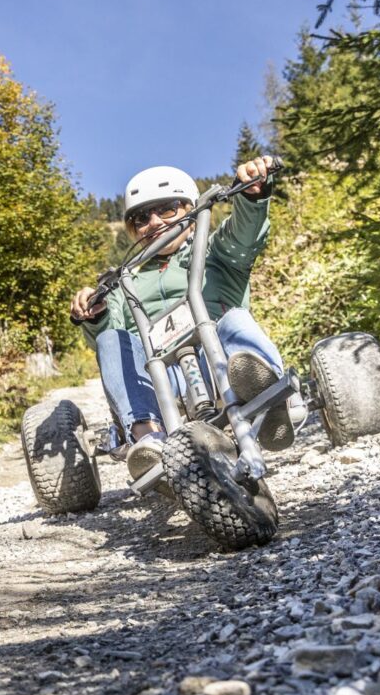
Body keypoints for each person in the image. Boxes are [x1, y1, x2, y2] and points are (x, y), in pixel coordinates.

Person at [68, 155, 302, 483]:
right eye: (140, 218)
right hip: (162, 377)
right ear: (132, 229)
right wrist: (95, 314)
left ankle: (267, 395)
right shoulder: (124, 282)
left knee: (233, 319)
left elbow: (243, 235)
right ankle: (147, 438)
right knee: (110, 339)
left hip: (219, 360)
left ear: (190, 212)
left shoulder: (214, 252)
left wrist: (252, 194)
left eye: (167, 208)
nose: (154, 222)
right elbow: (114, 342)